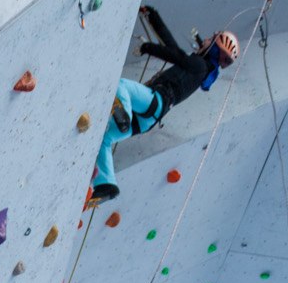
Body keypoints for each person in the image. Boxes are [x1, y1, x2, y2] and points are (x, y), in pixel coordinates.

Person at [89, 12, 240, 203]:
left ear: (215, 48)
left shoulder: (201, 65)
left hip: (155, 102)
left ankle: (123, 117)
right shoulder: (200, 69)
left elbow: (174, 54)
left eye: (211, 39)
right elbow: (174, 49)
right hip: (148, 120)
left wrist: (147, 47)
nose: (205, 39)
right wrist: (153, 17)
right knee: (105, 138)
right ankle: (106, 184)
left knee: (121, 86)